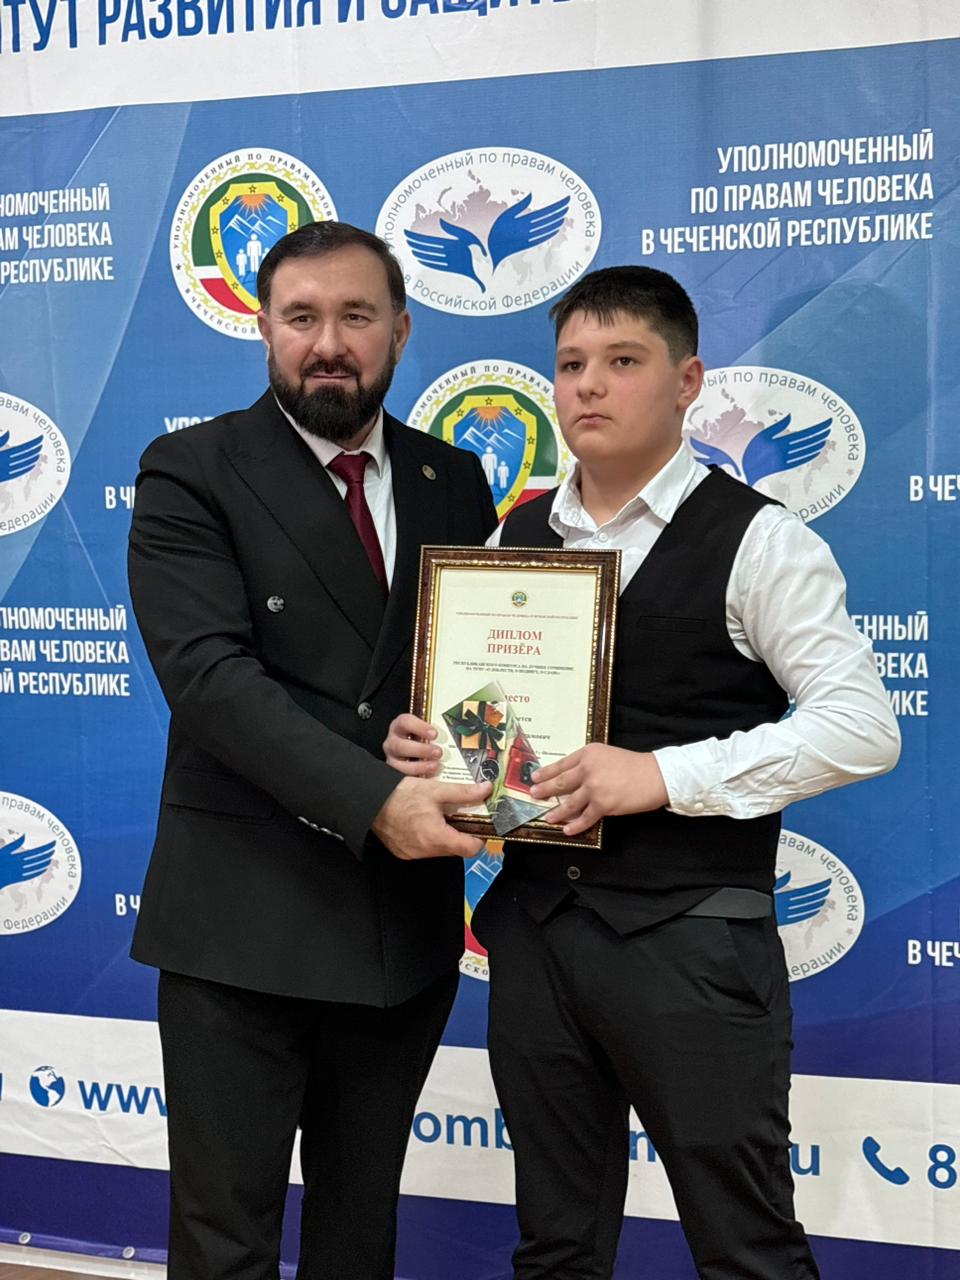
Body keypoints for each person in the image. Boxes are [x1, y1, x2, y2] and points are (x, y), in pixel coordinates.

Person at [384, 265, 900, 1280]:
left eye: (623, 361)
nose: (589, 385)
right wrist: (446, 752)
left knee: (746, 1246)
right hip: (536, 935)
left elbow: (862, 727)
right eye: (572, 363)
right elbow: (502, 732)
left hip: (693, 942)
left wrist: (661, 776)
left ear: (687, 381)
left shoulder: (761, 541)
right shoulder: (514, 535)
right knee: (555, 1245)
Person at [128, 220, 497, 1280]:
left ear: (401, 331)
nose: (328, 343)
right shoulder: (191, 469)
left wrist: (489, 766)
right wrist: (378, 797)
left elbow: (473, 677)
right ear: (264, 329)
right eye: (302, 317)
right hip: (240, 923)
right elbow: (211, 682)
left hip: (399, 929)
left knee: (358, 1230)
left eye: (355, 316)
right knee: (225, 1239)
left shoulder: (452, 478)